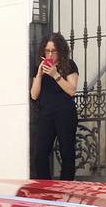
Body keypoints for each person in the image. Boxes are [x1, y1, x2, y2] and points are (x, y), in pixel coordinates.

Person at [30, 33, 79, 180]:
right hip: (46, 114)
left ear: (60, 50)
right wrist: (39, 75)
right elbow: (34, 95)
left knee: (67, 152)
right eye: (47, 51)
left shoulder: (69, 65)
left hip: (65, 113)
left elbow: (71, 90)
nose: (50, 54)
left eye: (53, 51)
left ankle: (66, 187)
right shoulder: (40, 68)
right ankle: (45, 188)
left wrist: (55, 74)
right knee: (40, 154)